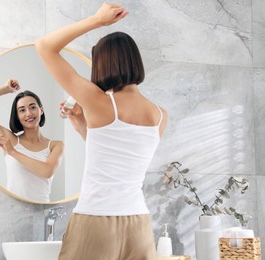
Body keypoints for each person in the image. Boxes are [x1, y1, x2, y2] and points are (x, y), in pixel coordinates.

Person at [36, 2, 167, 259]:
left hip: (95, 219)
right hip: (139, 225)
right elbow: (122, 157)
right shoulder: (160, 115)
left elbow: (44, 47)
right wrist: (85, 128)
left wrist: (96, 20)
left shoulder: (98, 101)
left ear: (103, 65)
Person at [0, 79, 64, 202]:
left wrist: (12, 152)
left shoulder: (55, 145)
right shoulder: (10, 139)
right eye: (22, 110)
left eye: (33, 107)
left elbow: (46, 172)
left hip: (41, 209)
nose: (29, 113)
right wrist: (6, 89)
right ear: (17, 116)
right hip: (13, 210)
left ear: (41, 110)